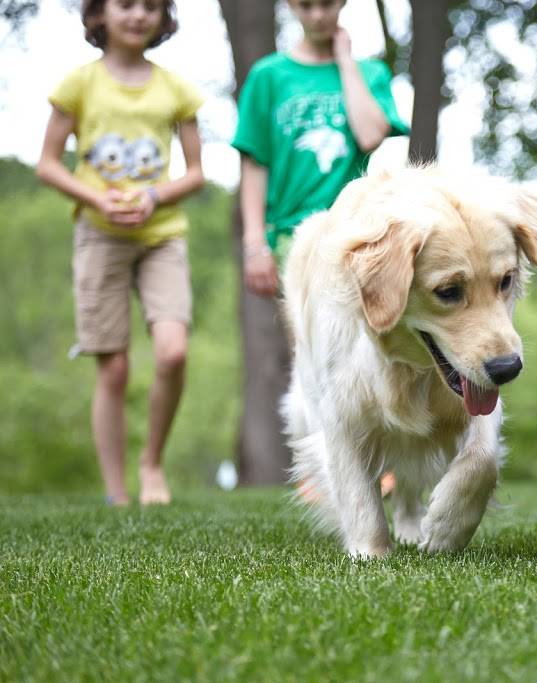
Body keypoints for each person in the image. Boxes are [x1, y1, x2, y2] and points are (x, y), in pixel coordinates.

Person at [231, 0, 408, 496]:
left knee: (371, 344)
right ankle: (324, 464)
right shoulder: (269, 77)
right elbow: (255, 164)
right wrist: (254, 243)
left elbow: (373, 133)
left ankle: (379, 458)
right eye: (306, 4)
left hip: (356, 231)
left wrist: (346, 61)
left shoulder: (369, 71)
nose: (318, 14)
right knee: (310, 352)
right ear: (291, 6)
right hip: (293, 235)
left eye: (328, 3)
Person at [37, 0, 204, 506]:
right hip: (99, 235)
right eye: (126, 4)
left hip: (162, 236)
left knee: (173, 352)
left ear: (163, 18)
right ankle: (116, 493)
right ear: (100, 14)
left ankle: (151, 463)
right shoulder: (78, 85)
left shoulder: (175, 89)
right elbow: (47, 164)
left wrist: (154, 196)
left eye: (151, 6)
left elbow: (196, 173)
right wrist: (97, 198)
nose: (138, 15)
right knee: (113, 368)